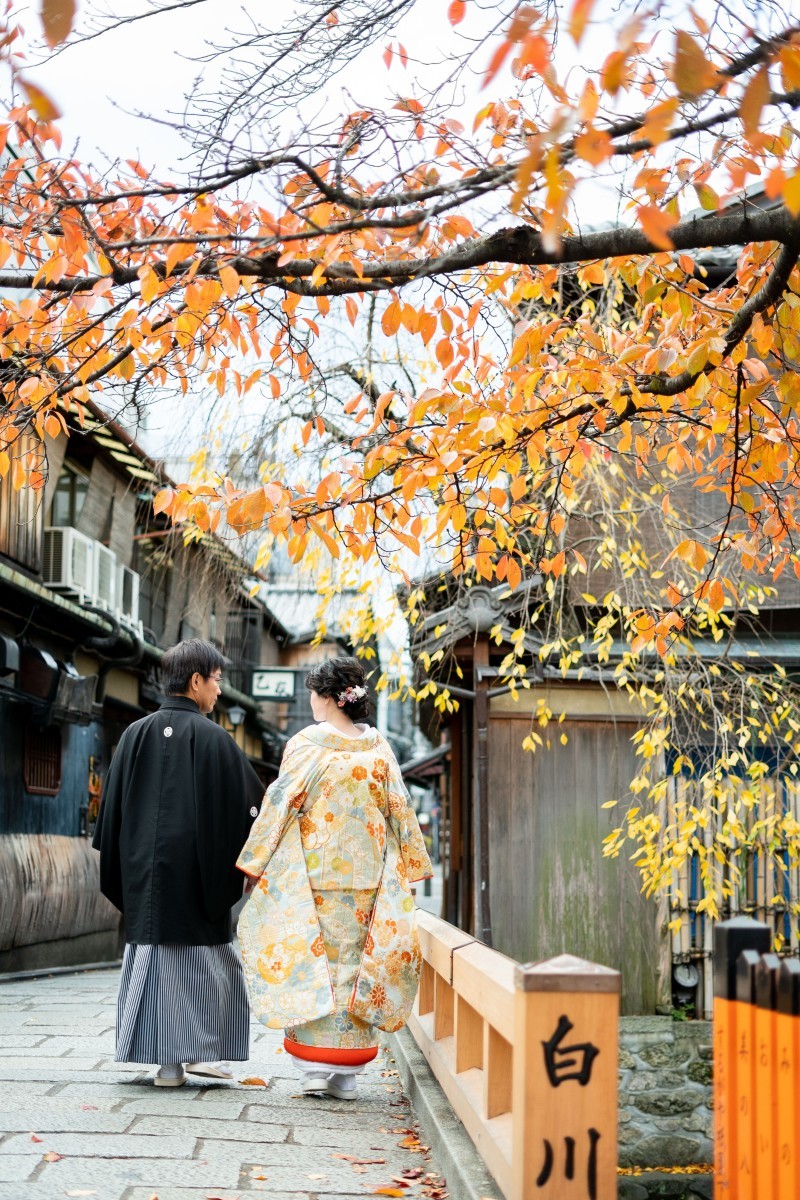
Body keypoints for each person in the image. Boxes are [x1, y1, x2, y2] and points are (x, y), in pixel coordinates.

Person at [236, 656, 433, 1101]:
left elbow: (280, 804)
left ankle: (312, 1069)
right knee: (358, 968)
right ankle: (347, 1075)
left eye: (313, 693)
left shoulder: (307, 745)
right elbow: (399, 807)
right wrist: (412, 865)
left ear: (328, 697)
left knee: (314, 964)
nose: (311, 701)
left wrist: (256, 861)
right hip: (367, 879)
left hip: (315, 878)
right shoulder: (379, 748)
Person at [93, 638, 265, 1087]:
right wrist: (246, 863)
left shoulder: (133, 735)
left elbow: (111, 813)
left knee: (156, 962)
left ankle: (167, 1065)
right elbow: (250, 811)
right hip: (198, 875)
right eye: (217, 680)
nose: (219, 691)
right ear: (195, 681)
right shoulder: (216, 741)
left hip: (145, 876)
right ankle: (198, 1051)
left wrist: (126, 859)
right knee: (201, 965)